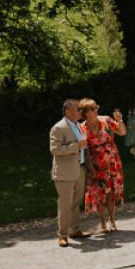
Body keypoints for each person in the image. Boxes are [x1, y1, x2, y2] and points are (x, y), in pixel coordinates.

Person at [79, 98, 126, 233]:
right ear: (86, 113)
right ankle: (102, 222)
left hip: (111, 161)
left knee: (111, 192)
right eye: (93, 109)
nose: (96, 110)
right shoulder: (82, 128)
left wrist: (119, 121)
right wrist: (89, 167)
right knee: (99, 193)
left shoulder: (105, 120)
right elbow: (84, 150)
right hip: (95, 164)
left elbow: (122, 132)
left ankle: (112, 220)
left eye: (96, 108)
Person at [48, 99, 91, 247]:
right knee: (65, 205)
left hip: (80, 169)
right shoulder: (58, 128)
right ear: (68, 111)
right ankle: (63, 235)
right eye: (78, 109)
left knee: (76, 202)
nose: (81, 111)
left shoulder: (78, 126)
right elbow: (54, 150)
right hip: (64, 173)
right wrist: (76, 146)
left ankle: (75, 229)